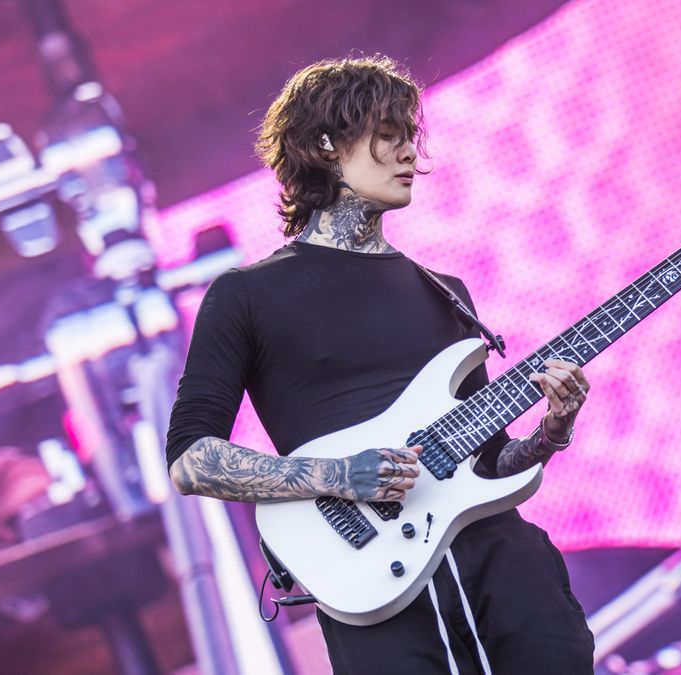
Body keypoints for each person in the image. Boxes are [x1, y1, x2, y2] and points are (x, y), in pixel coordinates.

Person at [164, 55, 595, 674]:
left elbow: (489, 459)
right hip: (376, 587)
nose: (409, 156)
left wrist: (551, 433)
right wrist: (340, 475)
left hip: (505, 569)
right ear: (325, 145)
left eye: (409, 138)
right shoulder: (246, 295)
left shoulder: (444, 290)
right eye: (387, 137)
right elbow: (191, 459)